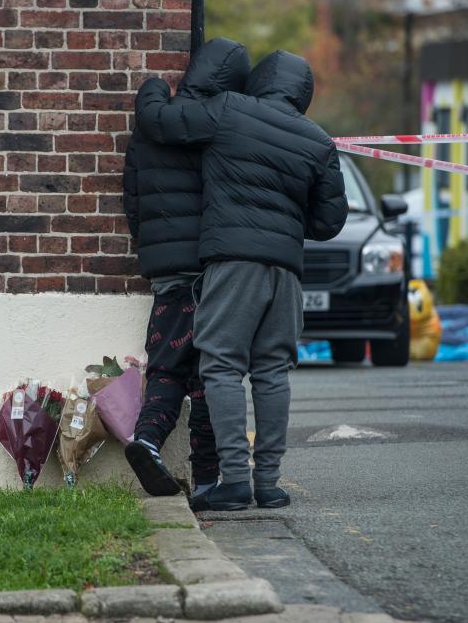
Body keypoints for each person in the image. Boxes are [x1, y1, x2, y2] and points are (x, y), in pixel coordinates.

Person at [134, 50, 348, 510]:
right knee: (272, 371)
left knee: (221, 365)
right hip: (286, 271)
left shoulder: (231, 110)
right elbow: (329, 222)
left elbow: (161, 122)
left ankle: (233, 480)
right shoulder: (317, 140)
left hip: (234, 262)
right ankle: (268, 483)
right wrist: (287, 223)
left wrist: (151, 87)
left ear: (260, 80)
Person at [122, 38, 251, 498]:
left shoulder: (149, 125)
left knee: (165, 368)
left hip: (166, 272)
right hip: (210, 269)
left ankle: (147, 441)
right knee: (209, 375)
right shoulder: (219, 125)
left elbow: (132, 201)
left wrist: (152, 247)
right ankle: (206, 479)